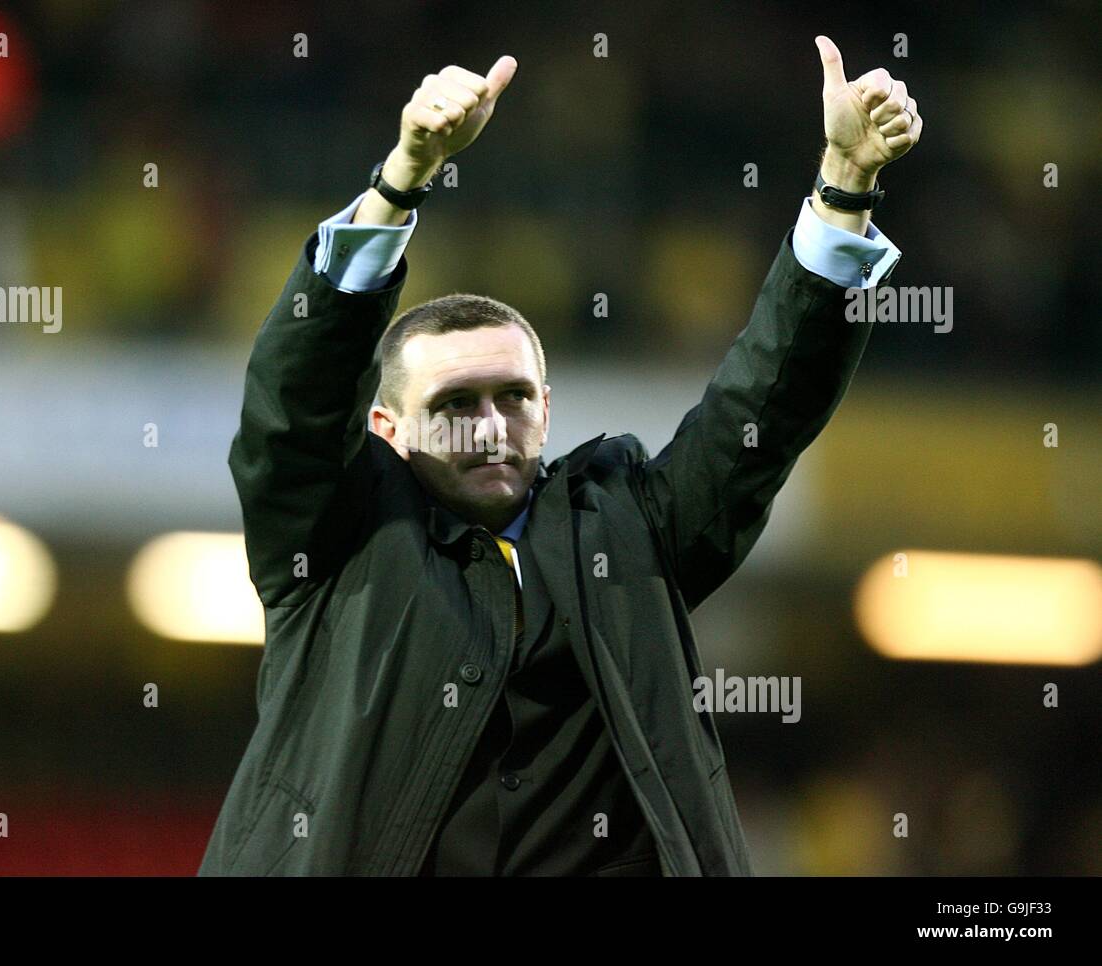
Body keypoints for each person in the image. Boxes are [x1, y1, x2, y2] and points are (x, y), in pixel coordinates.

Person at [199, 36, 922, 876]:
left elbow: (764, 407)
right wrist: (401, 179)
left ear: (549, 409)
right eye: (454, 404)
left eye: (512, 396)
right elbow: (295, 409)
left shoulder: (632, 527)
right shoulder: (331, 541)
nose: (490, 424)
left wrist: (844, 185)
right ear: (386, 430)